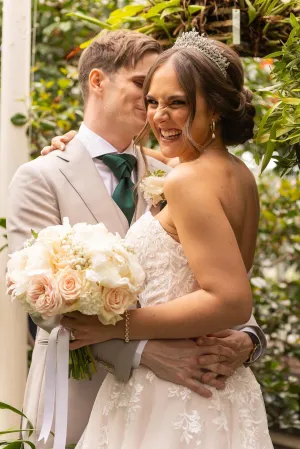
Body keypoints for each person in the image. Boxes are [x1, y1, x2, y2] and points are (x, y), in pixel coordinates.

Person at [7, 30, 266, 448]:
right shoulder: (43, 175)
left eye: (174, 100)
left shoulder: (181, 172)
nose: (157, 112)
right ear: (97, 82)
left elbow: (219, 286)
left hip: (177, 400)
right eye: (146, 92)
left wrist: (248, 339)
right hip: (83, 401)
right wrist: (145, 351)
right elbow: (43, 307)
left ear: (209, 102)